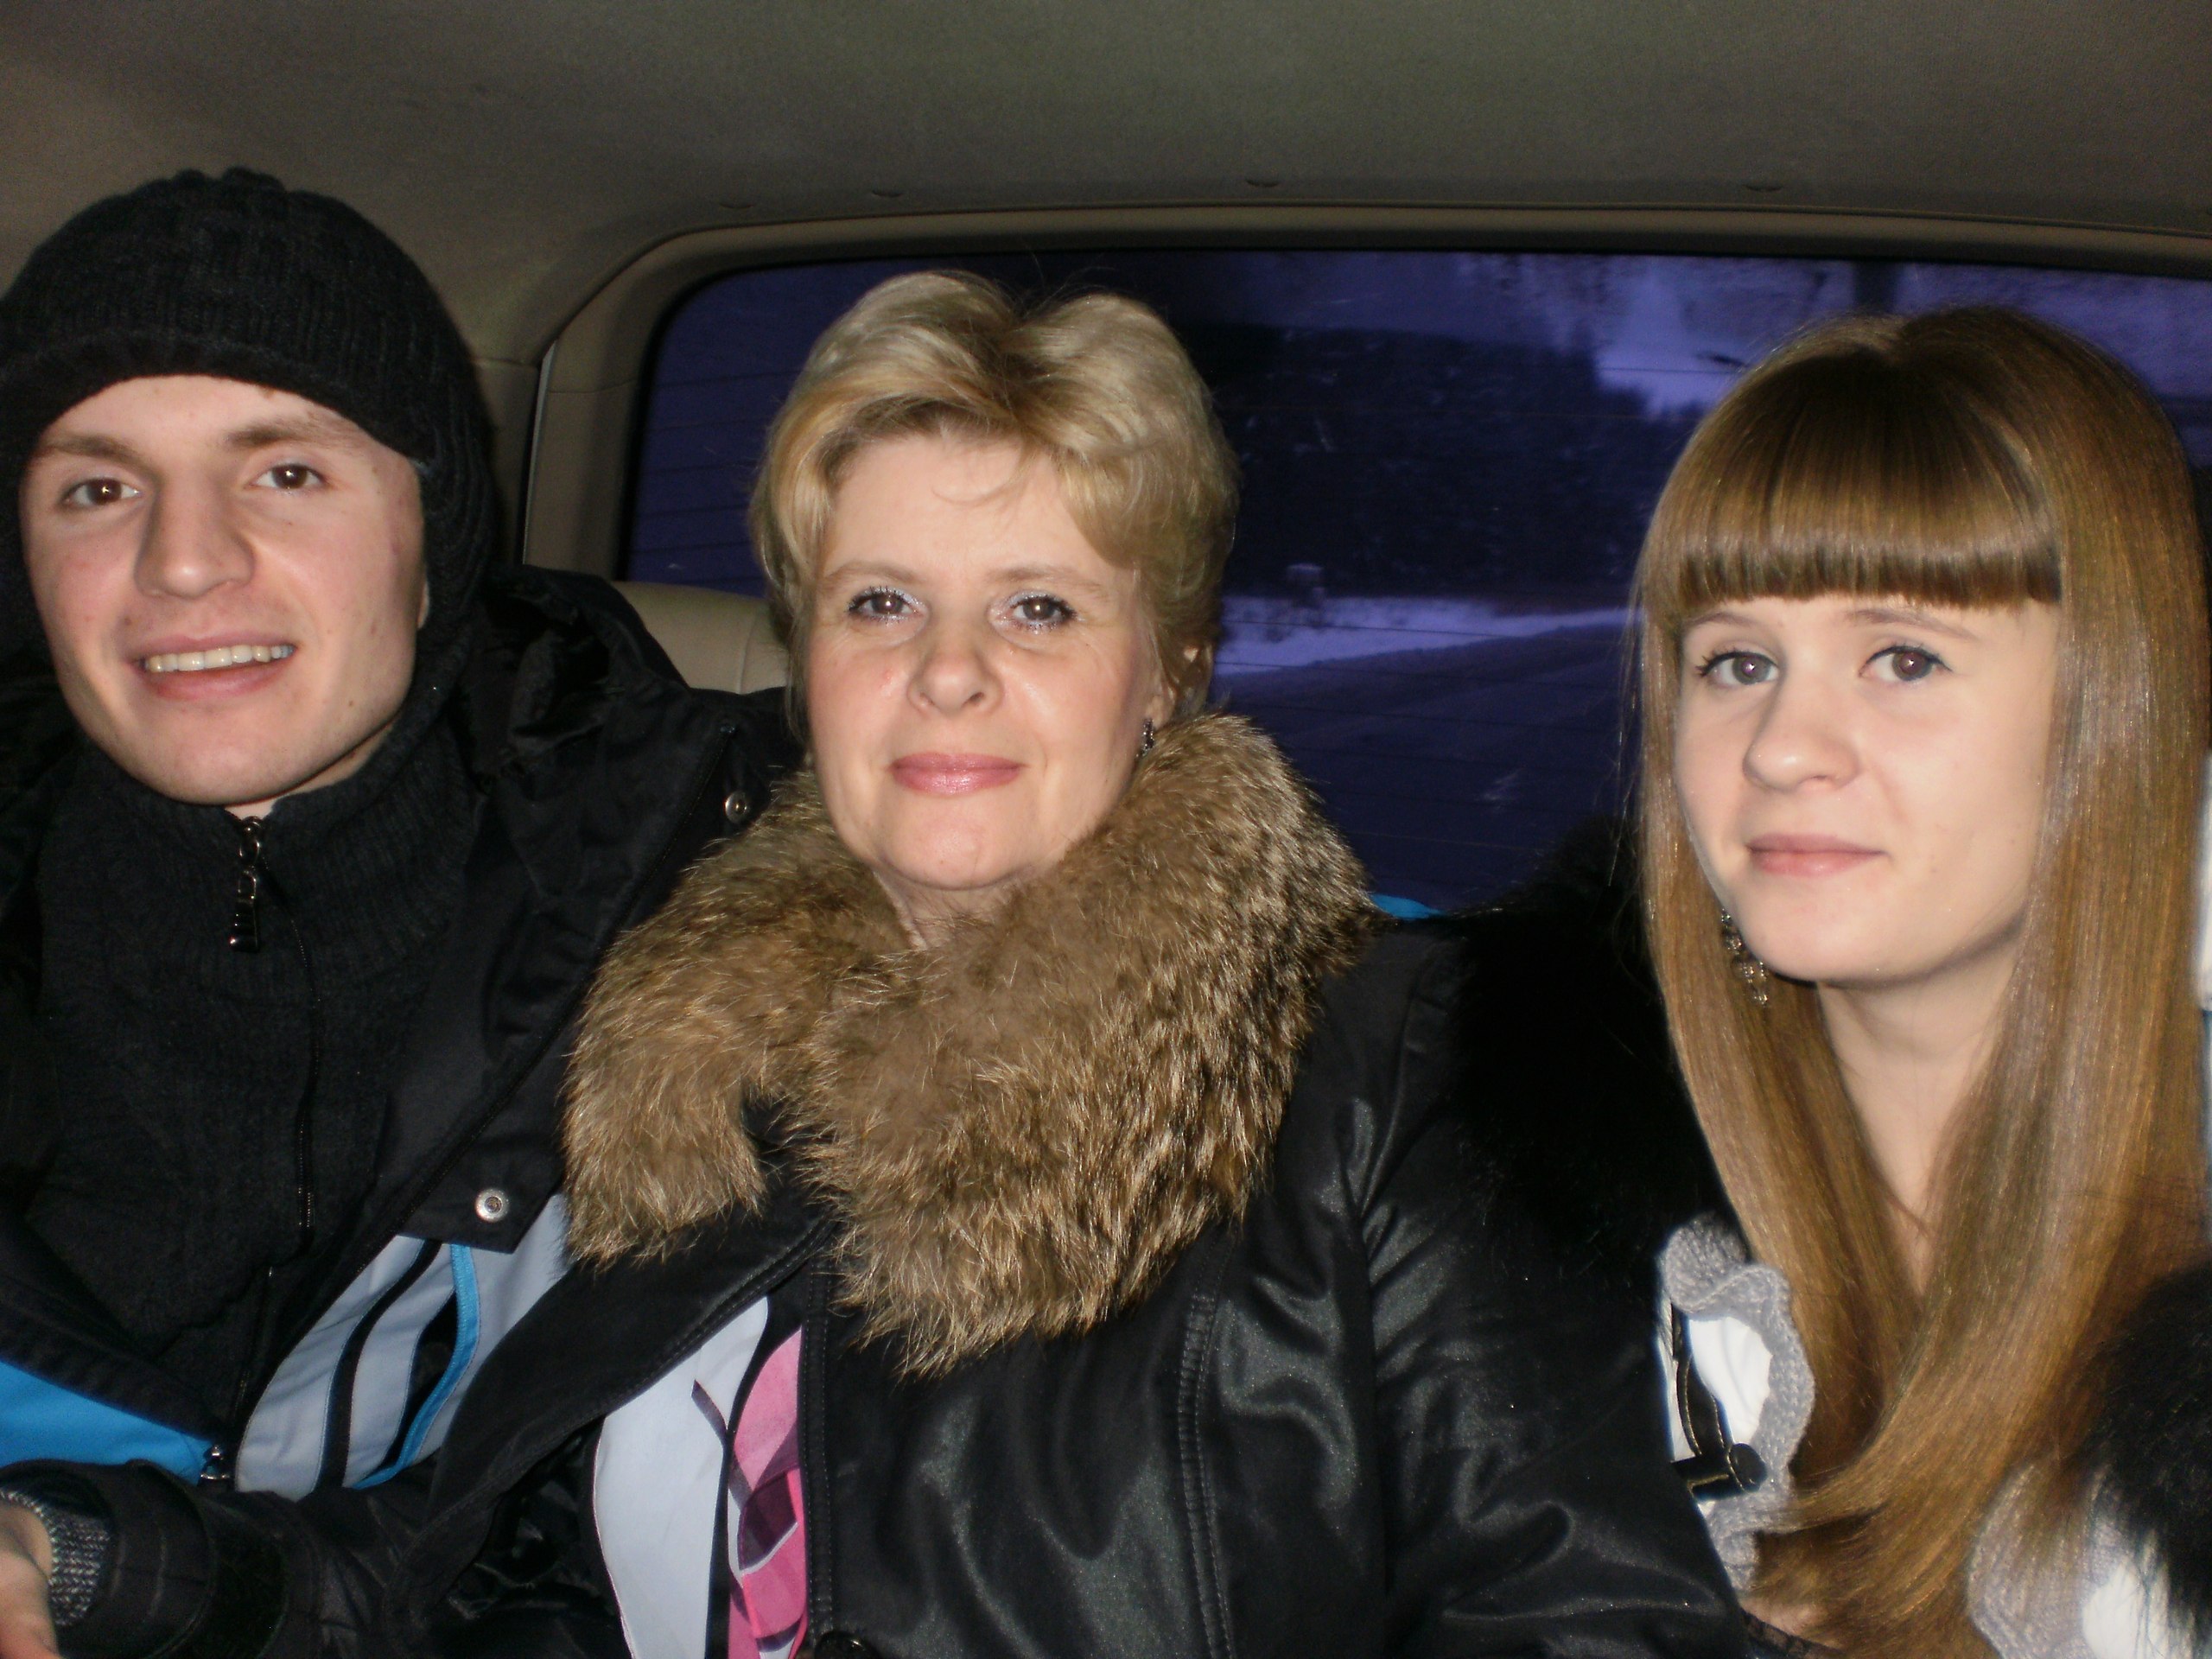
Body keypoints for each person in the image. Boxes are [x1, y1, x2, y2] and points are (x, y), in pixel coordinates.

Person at [367, 270, 1743, 1658]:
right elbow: (539, 1562)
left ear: (1168, 670)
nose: (947, 671)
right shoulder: (686, 1063)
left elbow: (1594, 1620)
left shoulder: (1409, 1075)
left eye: (1038, 610)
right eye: (881, 603)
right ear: (806, 664)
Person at [0, 169, 793, 1658]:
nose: (183, 560)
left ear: (435, 530)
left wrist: (99, 1568)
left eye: (286, 471)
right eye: (96, 489)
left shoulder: (707, 899)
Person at [1464, 307, 2212, 1657]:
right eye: (1738, 662)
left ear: (2113, 706)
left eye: (1904, 658)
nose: (1782, 747)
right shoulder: (1532, 1236)